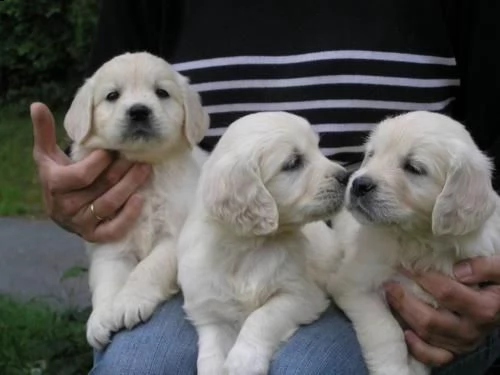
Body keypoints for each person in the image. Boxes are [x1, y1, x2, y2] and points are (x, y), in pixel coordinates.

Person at [31, 0, 500, 373]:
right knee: (139, 365)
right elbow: (101, 113)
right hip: (211, 259)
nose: (349, 172)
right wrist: (81, 188)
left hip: (396, 268)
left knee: (305, 369)